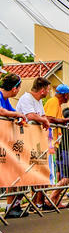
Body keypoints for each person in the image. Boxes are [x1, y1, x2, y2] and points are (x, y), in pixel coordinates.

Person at [0, 74, 28, 218]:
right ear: (15, 88)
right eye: (19, 88)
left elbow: (12, 112)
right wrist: (18, 115)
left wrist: (18, 116)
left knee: (13, 173)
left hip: (5, 143)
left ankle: (11, 206)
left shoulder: (6, 99)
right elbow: (2, 111)